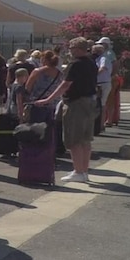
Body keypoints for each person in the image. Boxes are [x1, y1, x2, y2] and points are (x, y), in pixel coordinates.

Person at [35, 37, 98, 183]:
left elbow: (65, 85)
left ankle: (78, 171)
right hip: (90, 101)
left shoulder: (75, 64)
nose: (69, 51)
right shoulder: (91, 63)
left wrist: (48, 99)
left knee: (74, 138)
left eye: (71, 48)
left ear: (77, 49)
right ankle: (84, 170)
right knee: (85, 139)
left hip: (76, 102)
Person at [93, 43, 112, 119]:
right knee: (99, 103)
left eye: (94, 51)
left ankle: (101, 123)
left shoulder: (103, 58)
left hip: (103, 83)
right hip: (100, 83)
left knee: (102, 104)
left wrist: (94, 75)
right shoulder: (98, 58)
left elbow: (103, 68)